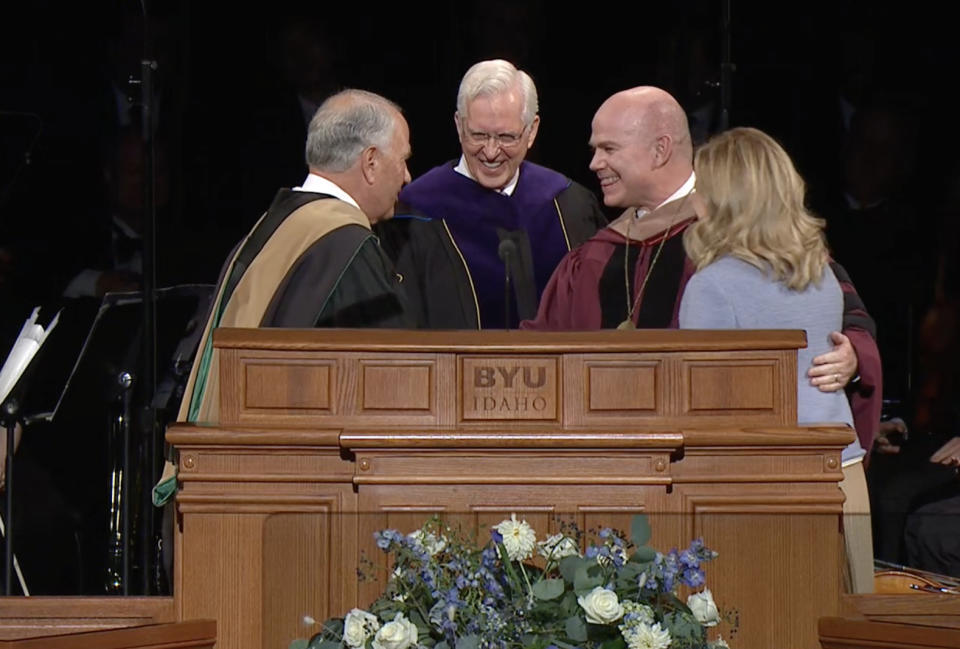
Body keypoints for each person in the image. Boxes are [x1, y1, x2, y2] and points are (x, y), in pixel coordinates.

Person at [523, 86, 882, 454]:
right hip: (603, 457)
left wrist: (851, 353)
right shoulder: (593, 256)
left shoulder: (747, 233)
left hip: (720, 459)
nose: (594, 163)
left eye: (608, 149)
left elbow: (838, 310)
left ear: (660, 149)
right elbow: (542, 347)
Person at [675, 126, 874, 592]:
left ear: (722, 200)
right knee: (844, 623)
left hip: (765, 484)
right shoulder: (819, 273)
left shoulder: (713, 286)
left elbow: (705, 411)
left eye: (699, 187)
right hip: (841, 474)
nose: (693, 200)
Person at [178, 89, 414, 425]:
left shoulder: (271, 228)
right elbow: (397, 379)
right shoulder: (345, 245)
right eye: (403, 159)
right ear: (371, 162)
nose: (407, 176)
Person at [378, 59, 606, 329]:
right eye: (478, 135)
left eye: (506, 137)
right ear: (459, 125)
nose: (490, 151)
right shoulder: (414, 212)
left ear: (531, 131)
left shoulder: (568, 203)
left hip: (562, 370)